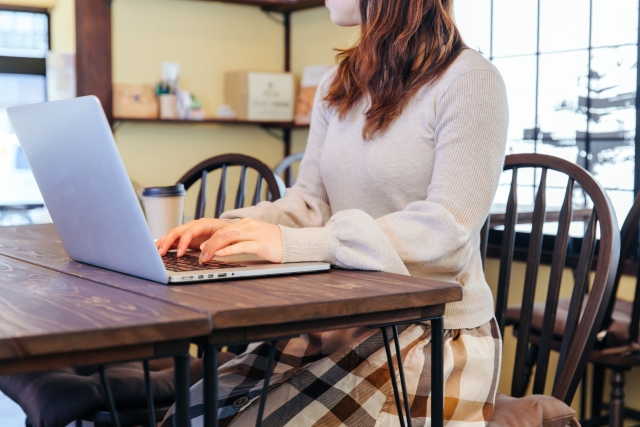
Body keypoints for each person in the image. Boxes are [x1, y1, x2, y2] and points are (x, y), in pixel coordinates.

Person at [158, 0, 508, 425]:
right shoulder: (337, 83)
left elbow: (446, 233)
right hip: (343, 317)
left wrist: (292, 243)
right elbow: (311, 203)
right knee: (188, 417)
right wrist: (238, 227)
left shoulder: (470, 80)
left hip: (429, 331)